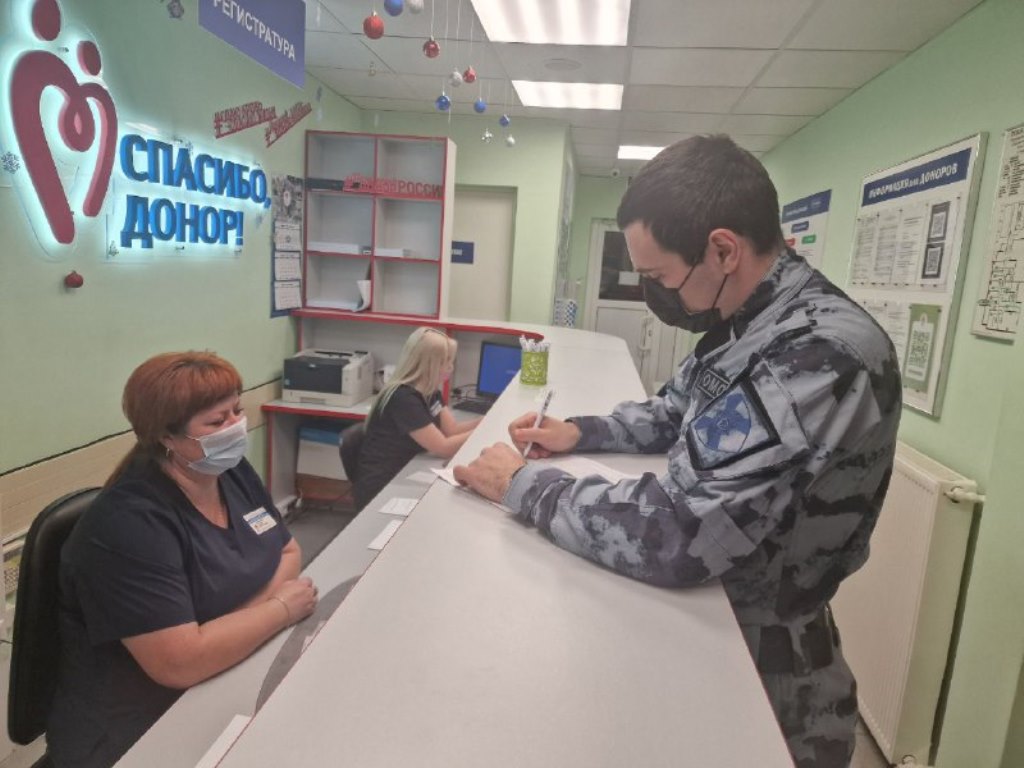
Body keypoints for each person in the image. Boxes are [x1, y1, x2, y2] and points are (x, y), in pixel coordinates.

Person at [453, 135, 902, 768]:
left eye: (660, 277)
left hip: (766, 683)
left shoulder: (819, 353)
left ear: (723, 250)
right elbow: (677, 408)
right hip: (710, 628)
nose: (656, 294)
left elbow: (680, 533)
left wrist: (521, 486)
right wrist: (581, 432)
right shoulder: (751, 319)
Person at [48, 352, 318, 768]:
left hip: (227, 671)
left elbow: (288, 550)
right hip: (139, 728)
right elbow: (181, 663)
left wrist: (228, 630)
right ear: (167, 437)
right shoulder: (128, 524)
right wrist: (279, 608)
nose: (236, 427)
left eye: (237, 410)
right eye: (216, 421)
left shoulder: (230, 472)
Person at [353, 327, 480, 510]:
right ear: (429, 364)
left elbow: (451, 430)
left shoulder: (430, 391)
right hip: (383, 485)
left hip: (407, 469)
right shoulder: (403, 398)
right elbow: (443, 448)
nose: (451, 368)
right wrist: (483, 430)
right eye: (446, 362)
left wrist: (485, 421)